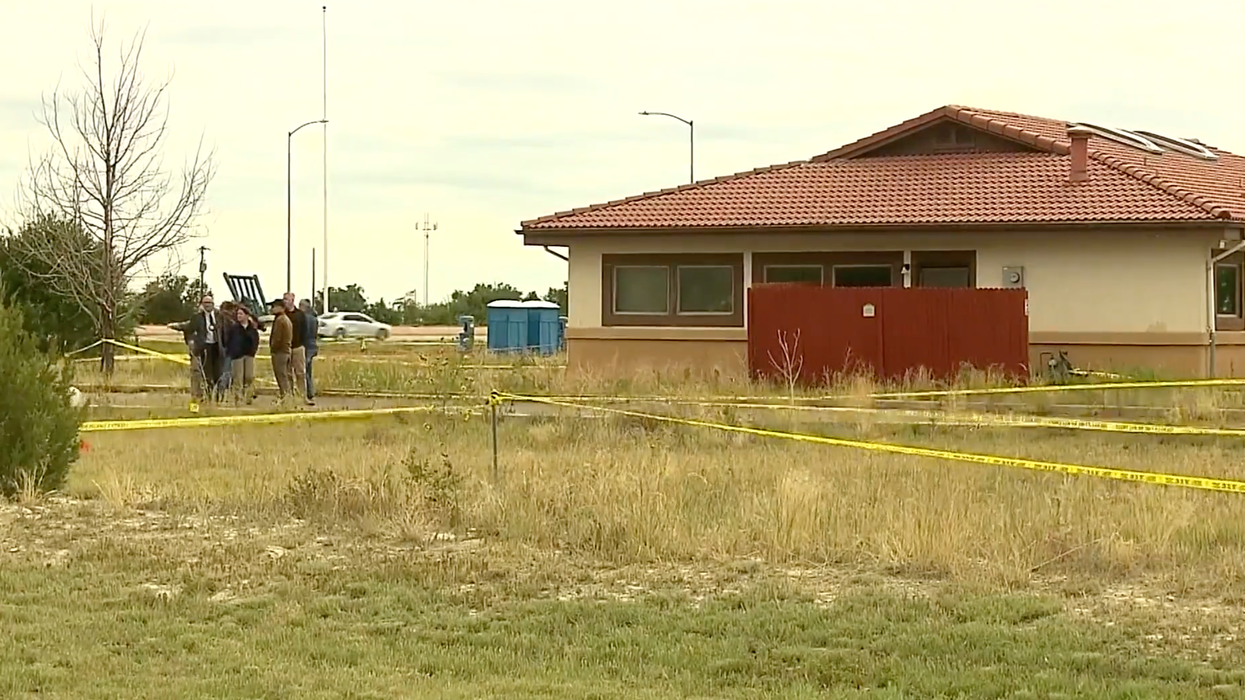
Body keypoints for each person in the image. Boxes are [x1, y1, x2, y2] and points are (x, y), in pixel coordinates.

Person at [174, 294, 225, 402]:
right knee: (207, 373)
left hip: (217, 347)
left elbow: (225, 331)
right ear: (202, 304)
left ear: (213, 304)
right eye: (205, 303)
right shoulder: (197, 318)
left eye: (210, 303)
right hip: (204, 348)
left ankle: (217, 396)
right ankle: (207, 395)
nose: (208, 305)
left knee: (218, 373)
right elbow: (189, 329)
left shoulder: (220, 317)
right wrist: (191, 342)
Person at [224, 306, 260, 404]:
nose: (238, 316)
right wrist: (231, 351)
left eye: (241, 314)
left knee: (249, 376)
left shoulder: (252, 328)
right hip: (237, 355)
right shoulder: (234, 328)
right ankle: (238, 399)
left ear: (247, 315)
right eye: (238, 314)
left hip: (249, 355)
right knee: (238, 378)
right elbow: (228, 340)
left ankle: (248, 397)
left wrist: (253, 351)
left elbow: (256, 340)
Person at [284, 292, 310, 404]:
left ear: (292, 300)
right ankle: (289, 396)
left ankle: (302, 396)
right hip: (286, 348)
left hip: (298, 347)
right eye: (284, 299)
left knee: (300, 373)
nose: (285, 301)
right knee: (287, 373)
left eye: (286, 299)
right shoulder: (283, 315)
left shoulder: (300, 315)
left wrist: (303, 344)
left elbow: (305, 330)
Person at [268, 298, 294, 402]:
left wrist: (273, 348)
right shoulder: (286, 319)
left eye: (273, 307)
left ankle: (285, 396)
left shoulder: (280, 320)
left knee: (281, 375)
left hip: (280, 352)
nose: (272, 309)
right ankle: (288, 395)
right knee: (286, 375)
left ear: (280, 307)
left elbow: (277, 338)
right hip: (286, 350)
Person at [216, 300, 238, 401]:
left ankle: (220, 395)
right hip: (227, 350)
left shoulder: (218, 318)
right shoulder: (229, 321)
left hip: (220, 350)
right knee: (226, 374)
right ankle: (221, 395)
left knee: (222, 373)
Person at [300, 299, 319, 404]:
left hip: (306, 345)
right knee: (308, 370)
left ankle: (308, 392)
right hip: (313, 345)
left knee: (304, 370)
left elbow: (304, 333)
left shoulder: (304, 319)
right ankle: (311, 390)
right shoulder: (314, 319)